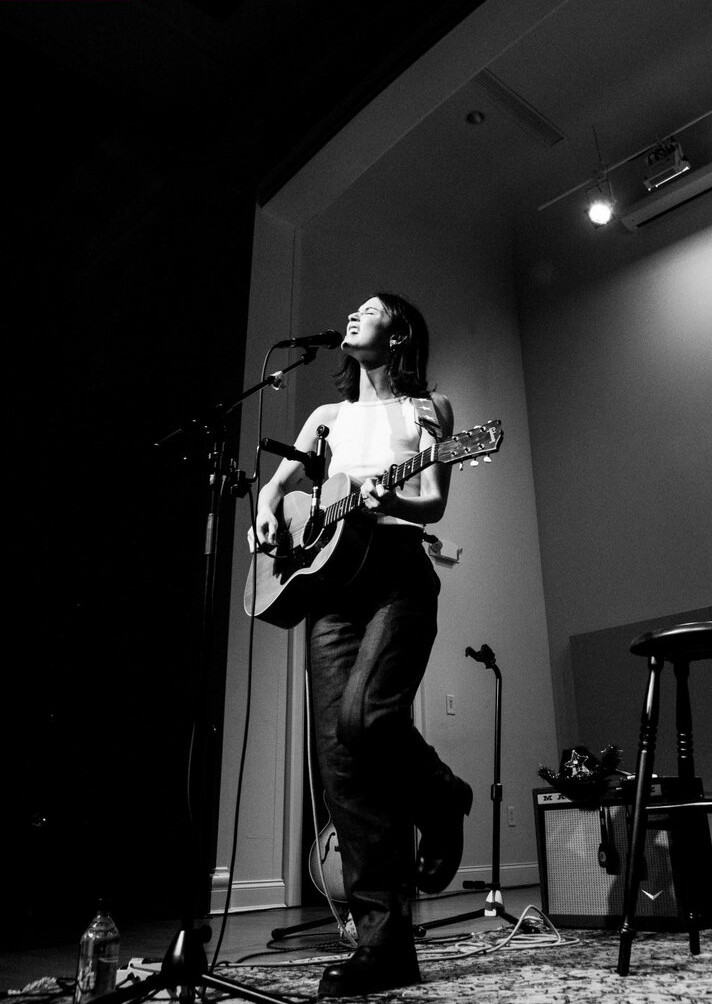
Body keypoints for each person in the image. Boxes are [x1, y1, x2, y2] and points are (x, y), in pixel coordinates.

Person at [249, 292, 472, 998]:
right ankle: (384, 947)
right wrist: (267, 513)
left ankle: (442, 797)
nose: (353, 314)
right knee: (340, 764)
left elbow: (433, 499)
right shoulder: (327, 418)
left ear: (398, 331)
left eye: (370, 309)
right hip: (331, 590)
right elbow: (276, 490)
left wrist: (390, 500)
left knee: (367, 718)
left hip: (398, 574)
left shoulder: (429, 410)